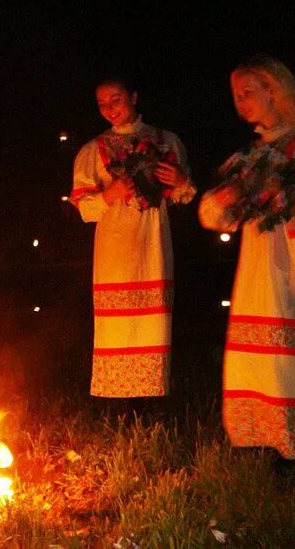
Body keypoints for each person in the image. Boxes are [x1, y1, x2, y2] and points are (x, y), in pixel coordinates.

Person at [199, 55, 295, 460]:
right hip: (257, 267)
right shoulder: (254, 154)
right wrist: (226, 200)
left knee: (291, 359)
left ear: (274, 91)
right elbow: (216, 216)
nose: (241, 101)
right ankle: (261, 440)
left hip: (293, 265)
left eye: (248, 92)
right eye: (236, 95)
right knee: (260, 359)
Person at [69, 78, 196, 402]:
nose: (110, 109)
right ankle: (120, 403)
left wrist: (181, 181)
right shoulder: (92, 150)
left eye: (116, 100)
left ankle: (152, 399)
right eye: (102, 104)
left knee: (151, 323)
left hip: (152, 244)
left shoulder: (166, 141)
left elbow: (183, 195)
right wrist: (112, 193)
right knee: (118, 328)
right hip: (114, 248)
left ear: (134, 97)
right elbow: (85, 208)